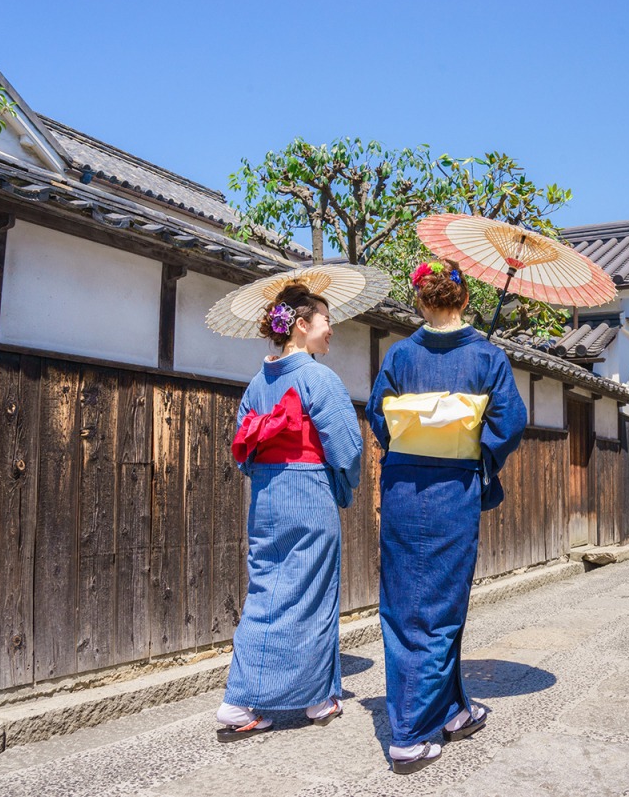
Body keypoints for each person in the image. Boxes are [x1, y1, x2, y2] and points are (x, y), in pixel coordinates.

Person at [367, 260, 527, 774]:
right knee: (438, 602)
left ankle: (453, 709)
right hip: (452, 488)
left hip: (401, 487)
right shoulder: (486, 356)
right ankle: (410, 734)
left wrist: (418, 437)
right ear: (462, 298)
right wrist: (473, 446)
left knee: (406, 598)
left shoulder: (399, 354)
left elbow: (379, 415)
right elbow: (510, 423)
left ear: (421, 299)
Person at [214, 283, 363, 741]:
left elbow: (243, 454)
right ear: (301, 325)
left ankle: (238, 701)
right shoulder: (320, 379)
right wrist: (340, 487)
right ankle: (318, 698)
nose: (331, 329)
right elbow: (348, 450)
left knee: (266, 590)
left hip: (266, 497)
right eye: (325, 319)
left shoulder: (258, 384)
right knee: (314, 592)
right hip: (307, 491)